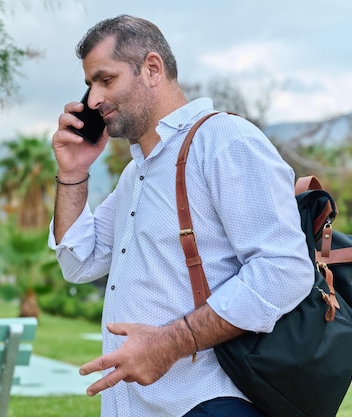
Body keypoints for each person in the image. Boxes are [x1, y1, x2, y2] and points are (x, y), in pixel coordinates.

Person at [48, 14, 314, 417]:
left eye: (105, 80)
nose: (93, 100)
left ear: (152, 69)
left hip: (206, 401)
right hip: (141, 406)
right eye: (90, 85)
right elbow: (78, 261)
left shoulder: (224, 141)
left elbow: (284, 269)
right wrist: (73, 174)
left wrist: (169, 344)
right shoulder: (136, 172)